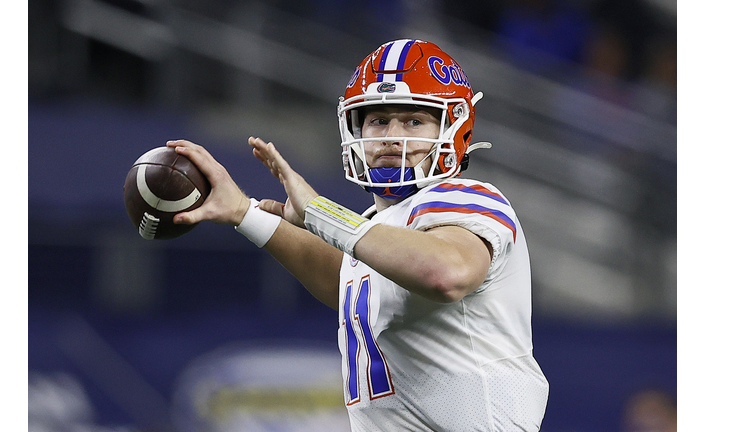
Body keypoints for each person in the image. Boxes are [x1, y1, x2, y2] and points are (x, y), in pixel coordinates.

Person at [167, 39, 549, 431]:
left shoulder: (468, 197)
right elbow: (349, 279)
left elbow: (445, 272)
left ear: (454, 128)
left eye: (414, 121)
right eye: (378, 120)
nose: (391, 136)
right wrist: (245, 213)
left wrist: (319, 212)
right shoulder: (375, 230)